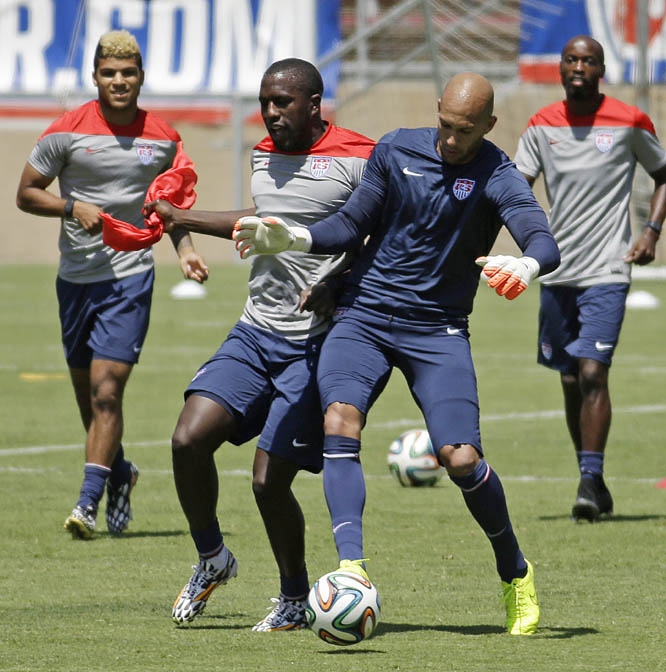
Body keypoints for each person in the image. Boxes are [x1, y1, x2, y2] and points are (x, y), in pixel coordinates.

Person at [233, 72, 560, 635]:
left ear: (489, 125)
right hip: (363, 316)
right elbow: (350, 224)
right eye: (446, 126)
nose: (453, 140)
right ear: (437, 111)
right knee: (341, 418)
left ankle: (515, 571)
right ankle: (352, 571)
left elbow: (542, 239)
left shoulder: (497, 173)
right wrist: (293, 237)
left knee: (459, 458)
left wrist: (524, 266)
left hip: (437, 330)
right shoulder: (396, 149)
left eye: (466, 131)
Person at [142, 58, 375, 630]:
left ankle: (295, 598)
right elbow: (262, 216)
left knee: (269, 481)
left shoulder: (362, 157)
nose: (270, 113)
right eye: (265, 101)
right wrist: (183, 217)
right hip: (255, 331)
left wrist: (338, 283)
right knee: (187, 439)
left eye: (282, 103)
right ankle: (212, 558)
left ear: (314, 103)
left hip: (317, 345)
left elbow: (387, 237)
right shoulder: (264, 152)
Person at [15, 30, 208, 540]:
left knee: (107, 391)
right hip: (75, 279)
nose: (119, 81)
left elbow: (170, 204)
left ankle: (86, 504)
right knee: (88, 397)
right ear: (95, 76)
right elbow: (25, 194)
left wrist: (184, 251)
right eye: (109, 73)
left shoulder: (164, 137)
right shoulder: (65, 132)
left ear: (141, 76)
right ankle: (120, 473)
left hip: (130, 278)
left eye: (128, 73)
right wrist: (68, 205)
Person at [513, 35, 666, 522]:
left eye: (589, 60)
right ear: (560, 68)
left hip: (608, 269)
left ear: (602, 69)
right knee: (569, 381)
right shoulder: (541, 125)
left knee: (593, 373)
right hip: (557, 273)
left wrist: (651, 232)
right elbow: (515, 187)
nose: (579, 66)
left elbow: (663, 173)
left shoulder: (629, 121)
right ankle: (593, 478)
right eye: (571, 58)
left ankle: (587, 479)